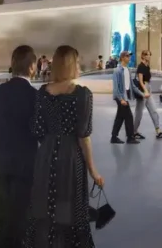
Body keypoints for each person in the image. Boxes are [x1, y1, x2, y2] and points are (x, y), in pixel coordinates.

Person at [25, 44, 103, 247]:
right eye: (77, 62)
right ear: (70, 65)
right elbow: (84, 136)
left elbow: (38, 128)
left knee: (45, 204)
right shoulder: (82, 95)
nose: (79, 66)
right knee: (71, 206)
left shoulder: (43, 93)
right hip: (71, 157)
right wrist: (93, 170)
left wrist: (51, 144)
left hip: (46, 156)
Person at [0, 45, 38, 248]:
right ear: (32, 67)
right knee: (20, 220)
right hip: (27, 167)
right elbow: (40, 132)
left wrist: (1, 152)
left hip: (2, 164)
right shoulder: (35, 96)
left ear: (12, 64)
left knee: (8, 216)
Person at [133, 50, 162, 140]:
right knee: (139, 113)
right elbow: (140, 81)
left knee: (154, 110)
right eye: (147, 55)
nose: (149, 56)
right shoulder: (141, 66)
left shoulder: (147, 66)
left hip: (148, 88)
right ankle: (134, 132)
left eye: (149, 55)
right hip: (143, 89)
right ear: (143, 56)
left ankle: (158, 130)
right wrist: (145, 91)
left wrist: (149, 90)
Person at [110, 51, 138, 144]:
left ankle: (114, 137)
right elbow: (116, 87)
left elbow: (132, 85)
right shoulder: (117, 70)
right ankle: (130, 137)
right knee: (129, 116)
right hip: (120, 96)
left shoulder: (128, 70)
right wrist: (121, 99)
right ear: (122, 58)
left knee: (120, 117)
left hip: (125, 95)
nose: (129, 57)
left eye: (129, 56)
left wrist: (141, 93)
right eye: (127, 56)